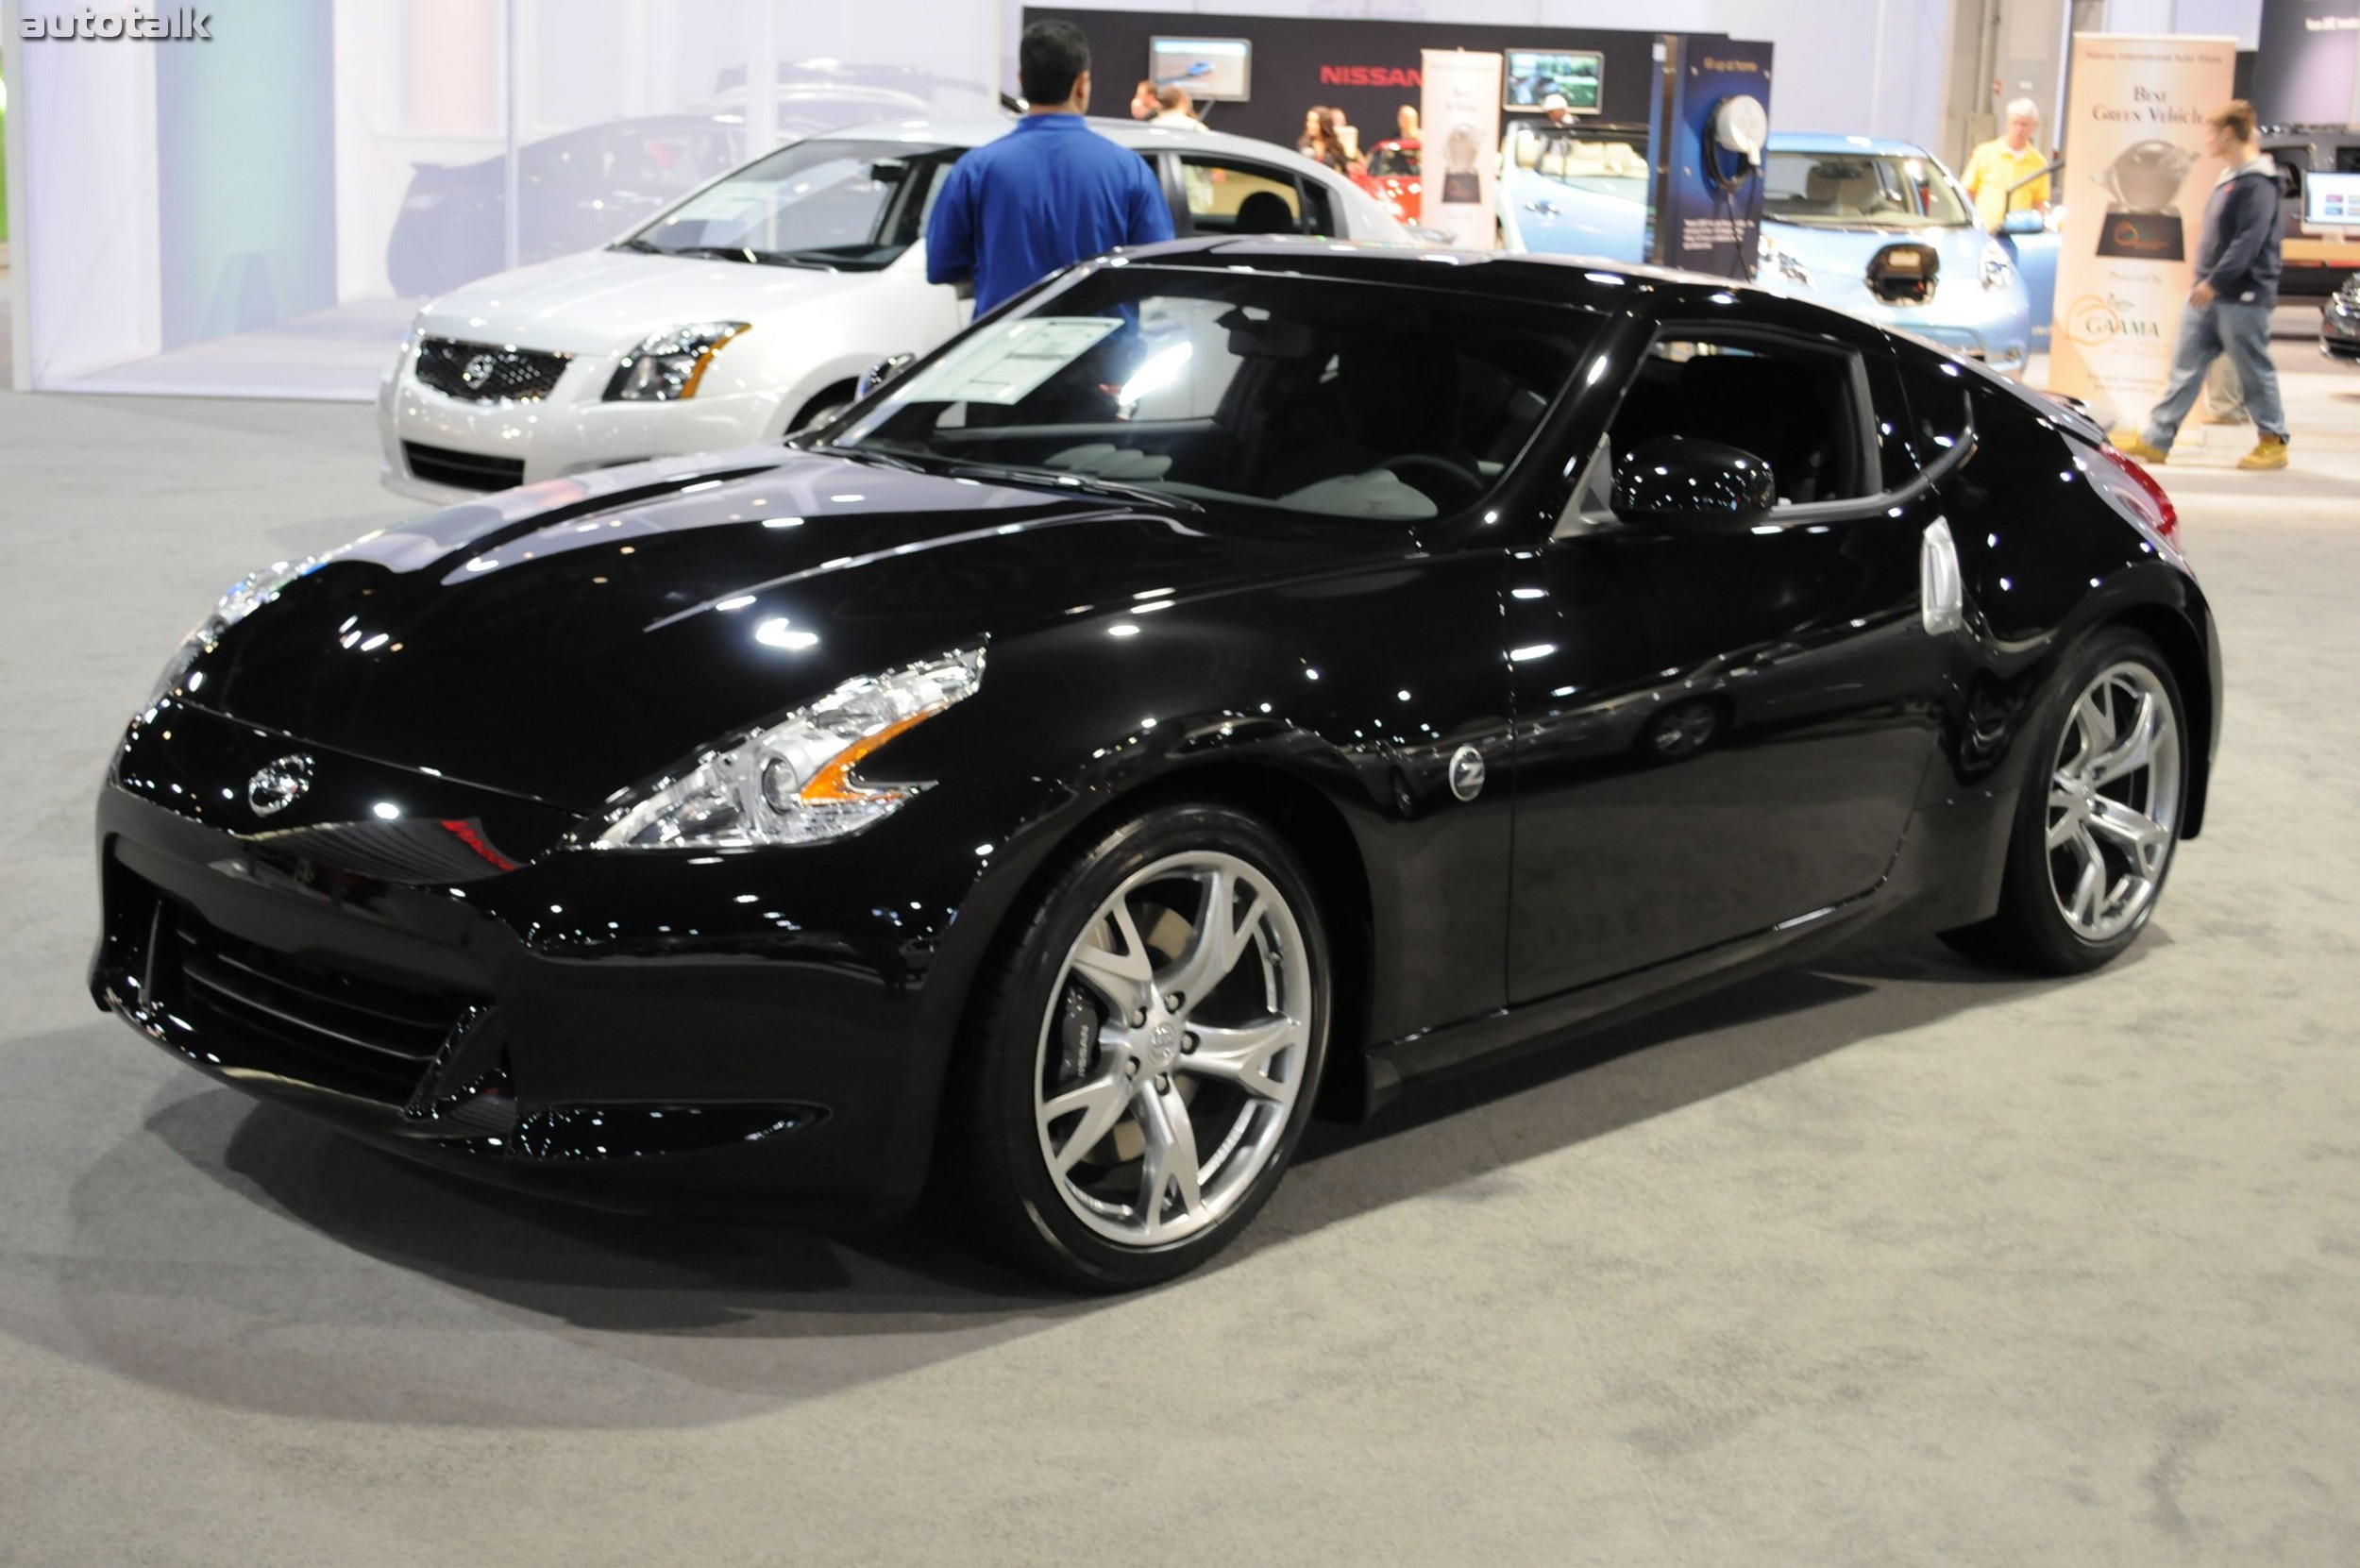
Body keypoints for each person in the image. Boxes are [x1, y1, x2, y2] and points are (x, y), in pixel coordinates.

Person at [926, 22, 1175, 315]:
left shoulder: (975, 169)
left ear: (1021, 80)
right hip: (1103, 353)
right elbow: (1158, 269)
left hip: (1001, 349)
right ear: (1081, 85)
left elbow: (943, 267)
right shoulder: (1129, 169)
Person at [2112, 100, 2289, 471]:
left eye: (2211, 132)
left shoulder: (2258, 183)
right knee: (2185, 365)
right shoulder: (2231, 177)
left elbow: (2249, 240)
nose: (2206, 139)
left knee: (2253, 367)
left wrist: (2217, 281)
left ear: (2227, 133)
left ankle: (2273, 440)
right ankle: (2157, 438)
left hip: (2241, 295)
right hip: (2208, 292)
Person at [1963, 97, 2051, 233]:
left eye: (2024, 124)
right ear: (2007, 123)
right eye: (2015, 123)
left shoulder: (2039, 163)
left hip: (2020, 235)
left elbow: (2039, 203)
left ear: (2034, 126)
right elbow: (1968, 192)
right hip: (1985, 231)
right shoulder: (1985, 153)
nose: (2019, 129)